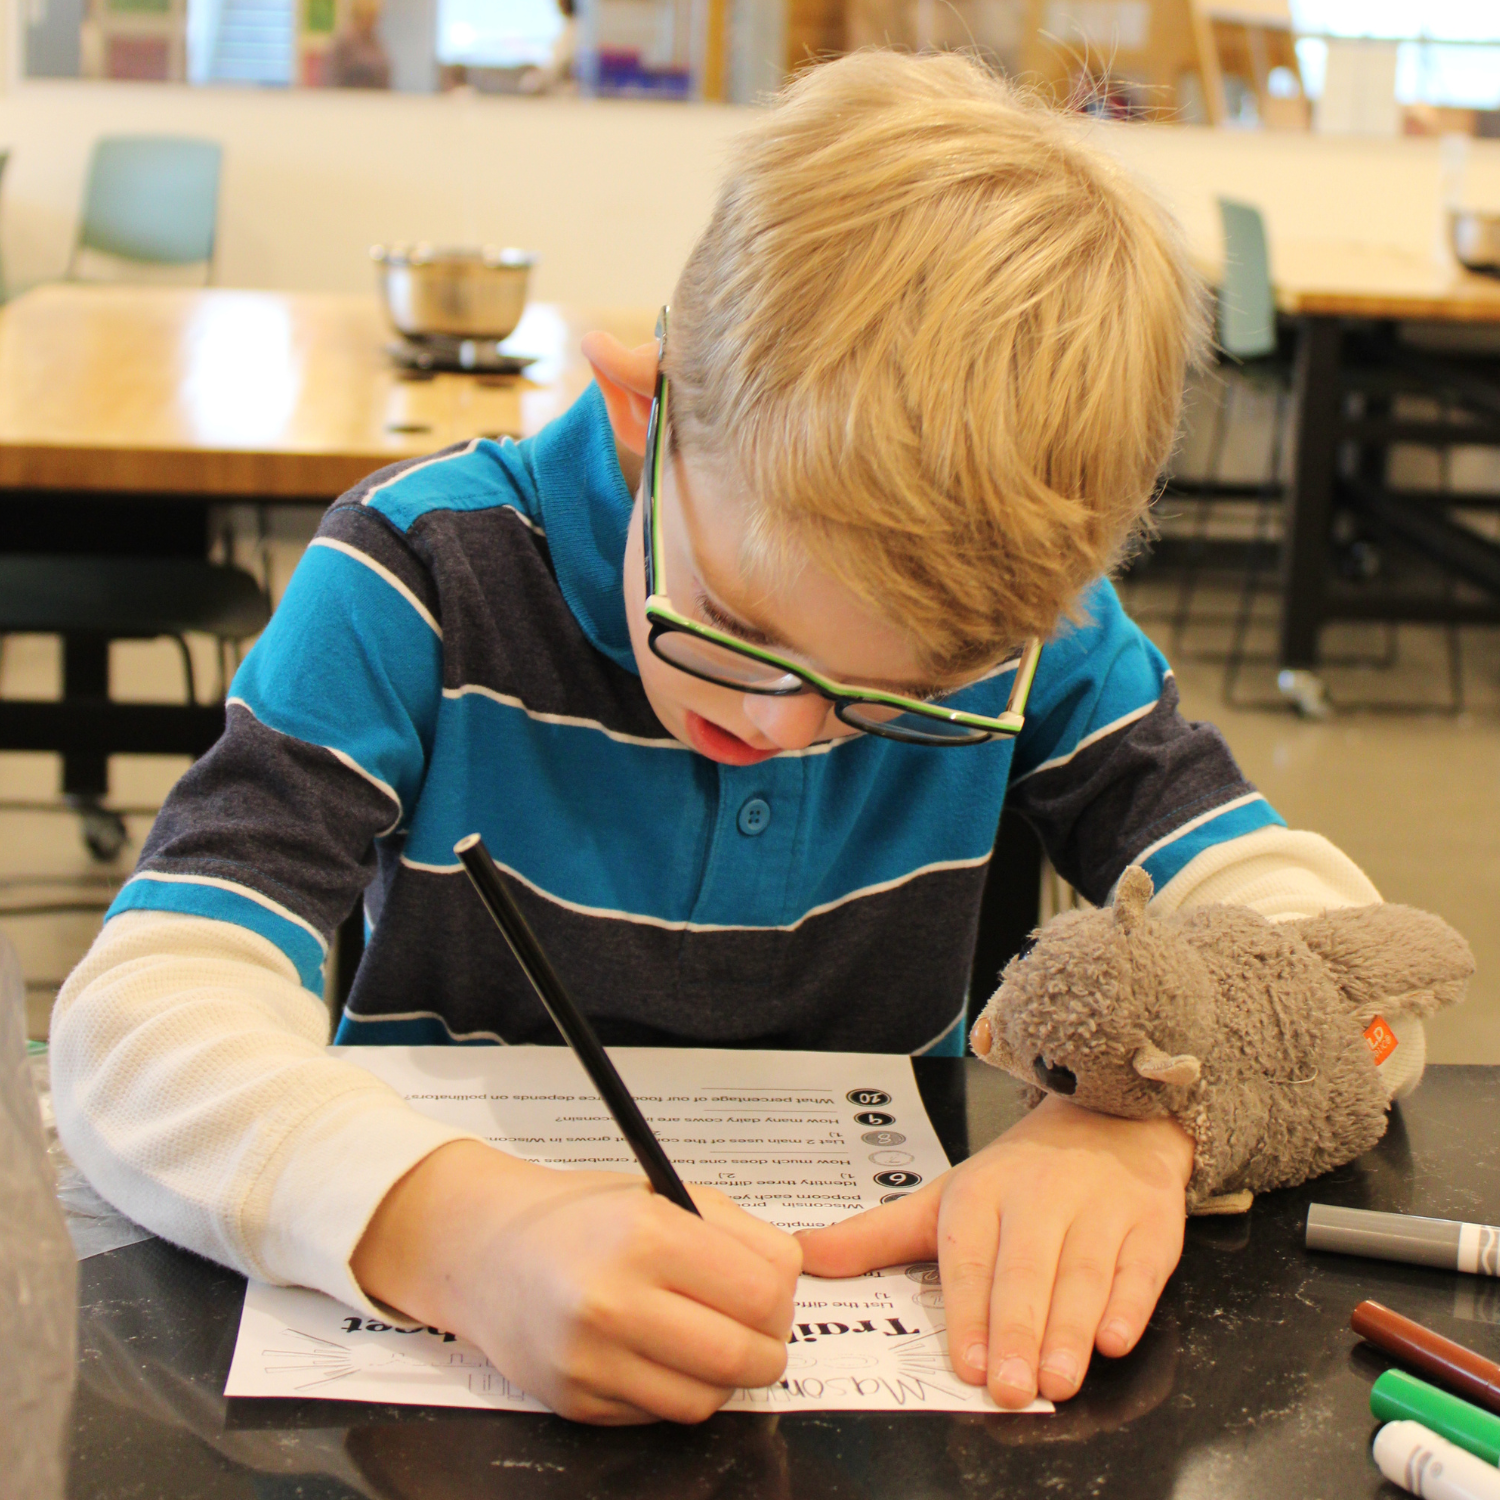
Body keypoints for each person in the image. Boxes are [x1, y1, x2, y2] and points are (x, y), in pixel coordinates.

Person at [50, 51, 1405, 1426]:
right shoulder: (420, 579)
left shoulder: (1025, 640)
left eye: (897, 693)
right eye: (733, 625)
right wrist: (452, 1231)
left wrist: (1149, 1124)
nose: (780, 725)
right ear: (649, 408)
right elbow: (133, 1025)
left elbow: (1369, 976)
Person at [326, 0, 391, 90]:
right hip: (351, 97)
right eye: (369, 16)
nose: (373, 21)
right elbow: (332, 79)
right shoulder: (344, 43)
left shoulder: (375, 42)